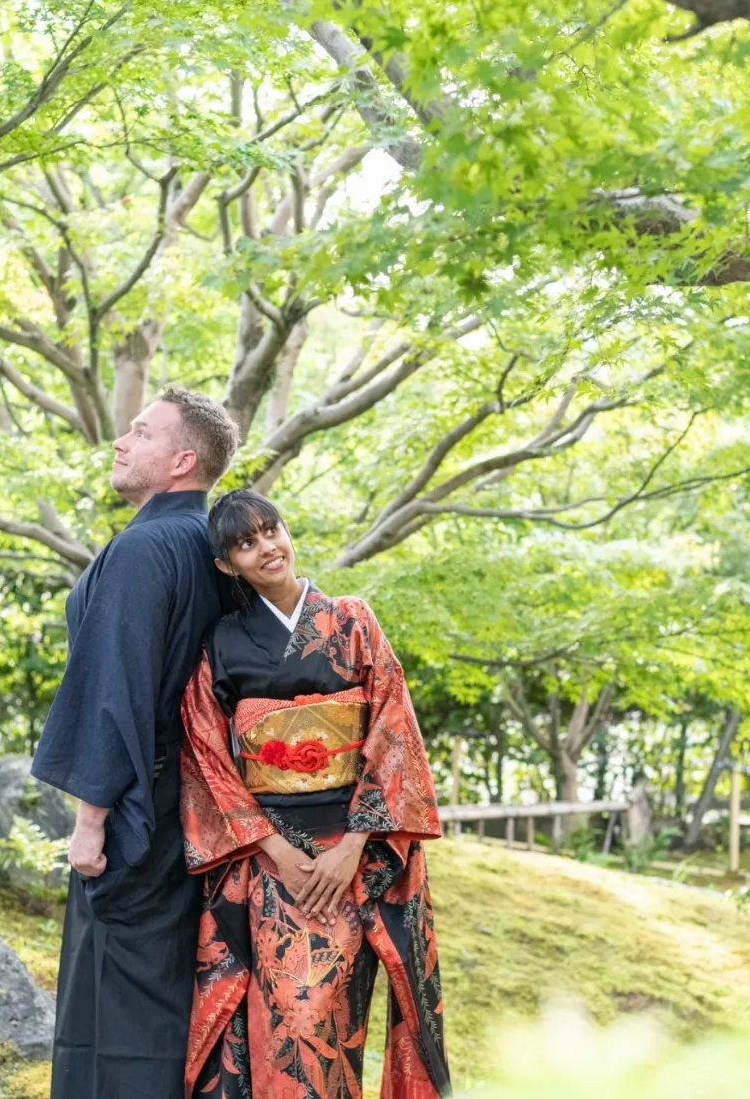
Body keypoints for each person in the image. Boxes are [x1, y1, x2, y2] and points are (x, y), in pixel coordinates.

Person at [179, 489, 451, 1099]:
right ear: (228, 565)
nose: (266, 548)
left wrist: (354, 845)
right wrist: (274, 850)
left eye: (270, 531)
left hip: (356, 854)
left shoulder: (353, 620)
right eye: (245, 544)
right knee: (288, 1020)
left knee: (336, 1022)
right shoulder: (222, 642)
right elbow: (206, 754)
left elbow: (392, 728)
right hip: (275, 862)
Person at [31, 387, 238, 1099]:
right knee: (158, 998)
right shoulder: (209, 546)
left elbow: (116, 688)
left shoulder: (147, 547)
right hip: (190, 807)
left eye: (141, 432)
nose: (121, 440)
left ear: (183, 460)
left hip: (133, 811)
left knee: (112, 1005)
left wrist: (90, 821)